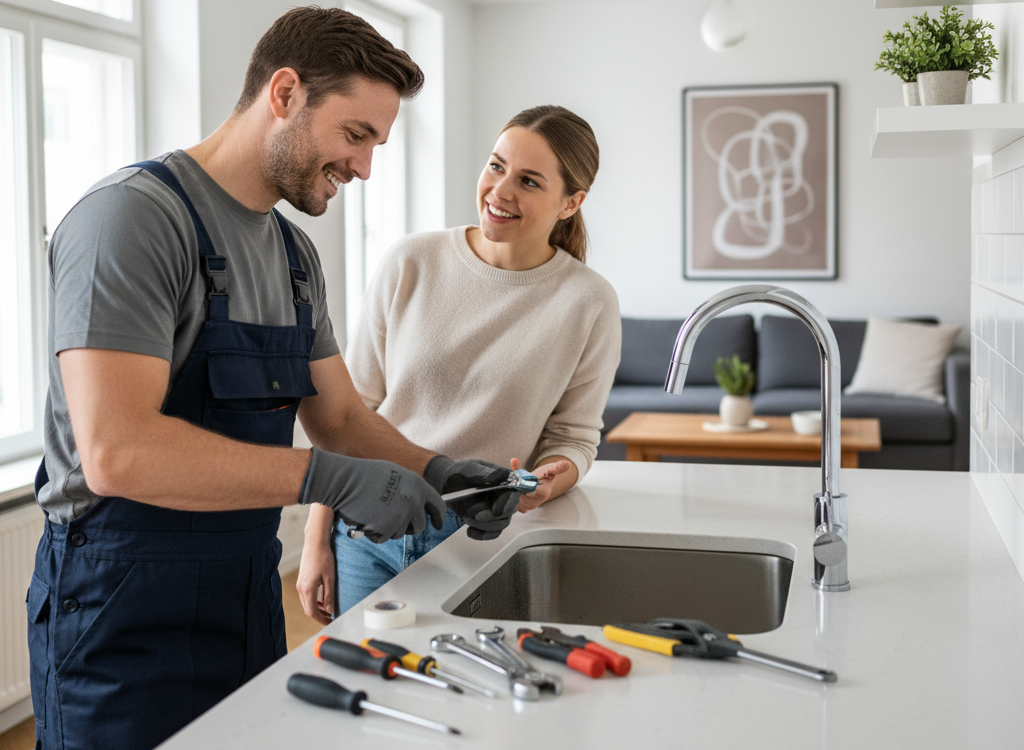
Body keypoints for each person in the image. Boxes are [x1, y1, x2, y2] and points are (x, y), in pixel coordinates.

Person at [28, 8, 519, 750]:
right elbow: (117, 451)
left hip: (243, 590)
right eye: (356, 136)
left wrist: (443, 472)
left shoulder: (294, 256)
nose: (364, 167)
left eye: (377, 145)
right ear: (284, 93)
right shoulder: (131, 222)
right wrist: (329, 481)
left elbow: (343, 420)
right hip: (116, 604)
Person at [297, 105, 622, 622]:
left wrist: (556, 476)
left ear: (571, 203)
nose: (501, 192)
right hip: (367, 527)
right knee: (368, 687)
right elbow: (347, 416)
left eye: (530, 181)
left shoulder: (589, 302)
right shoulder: (411, 262)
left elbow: (575, 437)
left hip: (481, 541)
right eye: (496, 166)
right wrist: (317, 539)